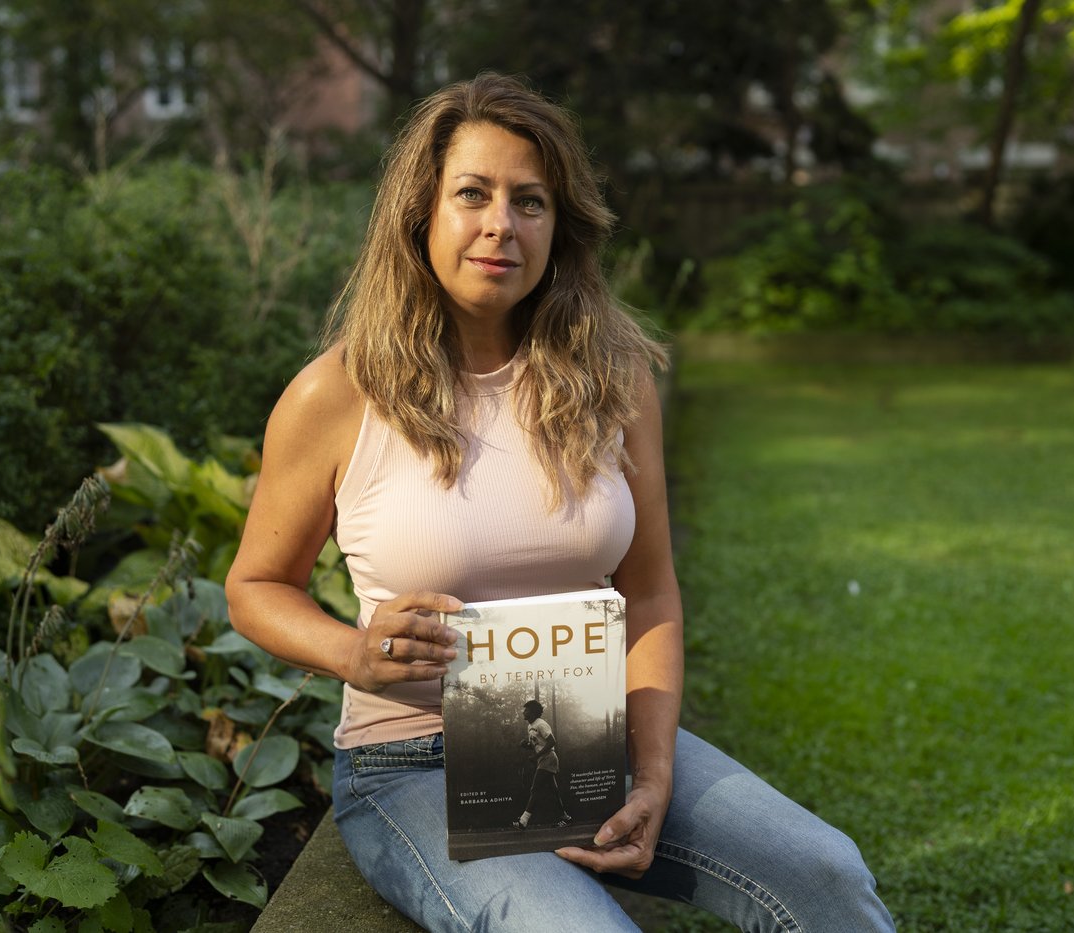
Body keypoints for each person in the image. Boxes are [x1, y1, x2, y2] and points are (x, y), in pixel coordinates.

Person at [225, 73, 895, 932]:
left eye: (530, 200)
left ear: (559, 226)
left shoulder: (613, 379)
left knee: (826, 874)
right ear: (420, 212)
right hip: (416, 765)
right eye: (473, 193)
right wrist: (353, 651)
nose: (501, 223)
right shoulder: (338, 392)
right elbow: (255, 586)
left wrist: (652, 772)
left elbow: (649, 592)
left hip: (592, 741)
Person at [514, 699, 572, 830]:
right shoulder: (530, 726)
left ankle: (523, 821)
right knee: (554, 792)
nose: (523, 712)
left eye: (526, 710)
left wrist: (536, 756)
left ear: (533, 712)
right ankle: (566, 818)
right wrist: (526, 745)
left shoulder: (541, 724)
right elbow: (537, 745)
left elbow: (552, 742)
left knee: (535, 788)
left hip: (548, 758)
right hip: (542, 759)